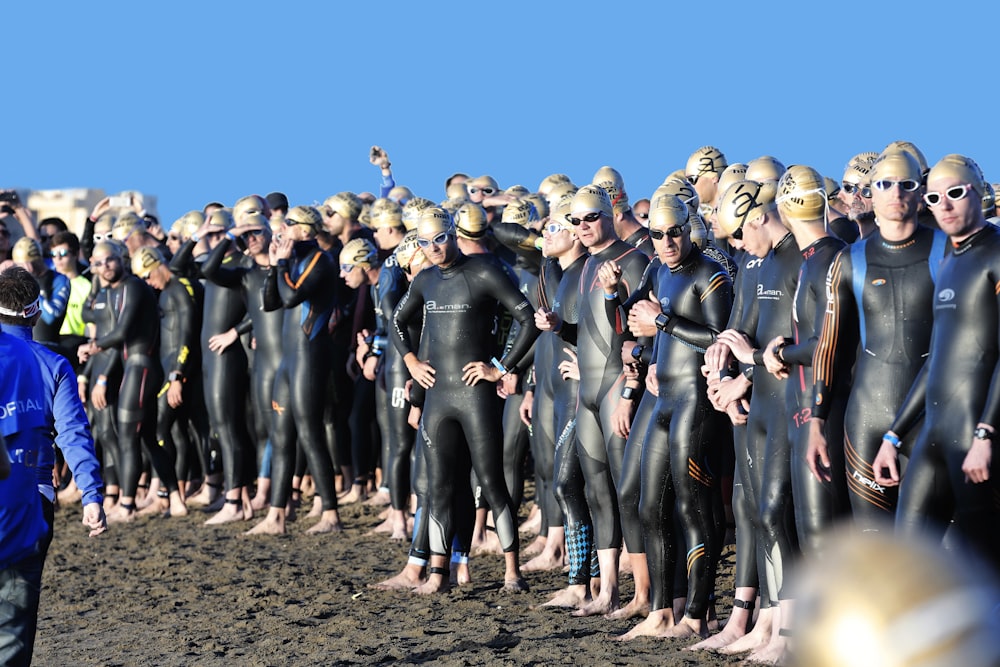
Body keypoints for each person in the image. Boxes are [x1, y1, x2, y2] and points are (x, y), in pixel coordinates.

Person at [391, 207, 539, 594]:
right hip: (440, 397)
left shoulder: (484, 271)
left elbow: (528, 318)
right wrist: (411, 361)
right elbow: (396, 322)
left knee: (491, 482)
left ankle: (512, 571)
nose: (434, 248)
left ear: (453, 235)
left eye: (440, 239)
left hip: (476, 396)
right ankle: (437, 575)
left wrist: (500, 367)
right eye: (425, 242)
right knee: (439, 486)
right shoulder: (424, 281)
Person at [808, 150, 945, 532]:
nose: (896, 193)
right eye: (884, 184)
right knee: (876, 549)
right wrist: (817, 420)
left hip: (930, 418)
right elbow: (828, 346)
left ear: (921, 193)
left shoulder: (947, 253)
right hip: (867, 417)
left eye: (907, 184)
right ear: (872, 192)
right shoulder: (849, 261)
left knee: (928, 550)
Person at [873, 154, 1000, 566]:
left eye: (955, 193)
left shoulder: (995, 254)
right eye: (933, 197)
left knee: (983, 563)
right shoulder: (948, 260)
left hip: (976, 434)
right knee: (908, 553)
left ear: (980, 194)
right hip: (934, 432)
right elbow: (937, 360)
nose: (943, 205)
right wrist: (893, 436)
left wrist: (986, 434)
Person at [619, 194, 733, 639]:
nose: (666, 242)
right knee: (651, 508)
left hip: (697, 405)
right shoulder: (658, 271)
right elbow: (635, 324)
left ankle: (697, 616)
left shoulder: (710, 274)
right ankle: (662, 611)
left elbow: (720, 338)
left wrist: (662, 322)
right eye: (657, 234)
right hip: (664, 400)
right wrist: (644, 357)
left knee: (695, 509)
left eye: (674, 233)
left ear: (690, 229)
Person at [554, 184, 649, 616]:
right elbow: (591, 334)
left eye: (590, 217)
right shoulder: (586, 265)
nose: (582, 227)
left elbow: (634, 332)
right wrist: (559, 327)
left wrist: (632, 389)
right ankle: (606, 590)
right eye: (575, 221)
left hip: (615, 388)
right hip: (587, 391)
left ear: (610, 213)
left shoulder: (635, 259)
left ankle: (644, 593)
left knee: (626, 491)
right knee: (596, 491)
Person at [248, 205, 343, 535]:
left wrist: (282, 263)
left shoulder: (320, 260)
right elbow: (271, 302)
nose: (283, 228)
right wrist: (275, 267)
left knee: (309, 432)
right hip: (289, 362)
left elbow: (290, 298)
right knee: (281, 435)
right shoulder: (294, 260)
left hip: (310, 359)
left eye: (290, 224)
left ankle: (330, 512)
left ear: (307, 231)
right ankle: (276, 515)